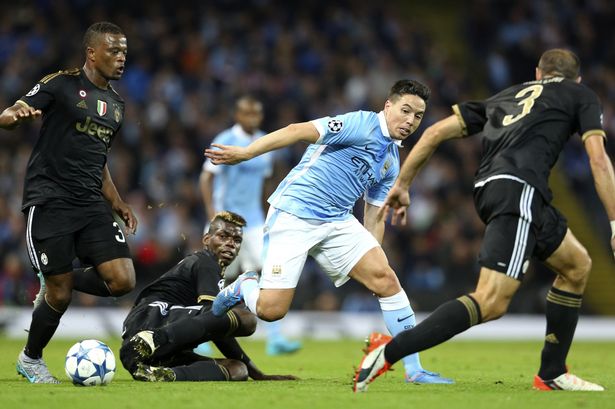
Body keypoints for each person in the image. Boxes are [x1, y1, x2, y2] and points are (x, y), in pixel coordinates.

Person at [353, 49, 615, 392]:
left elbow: (433, 134)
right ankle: (389, 351)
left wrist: (403, 185)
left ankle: (552, 372)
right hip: (519, 189)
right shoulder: (580, 94)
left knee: (577, 265)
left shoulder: (506, 96)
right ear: (576, 79)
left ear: (538, 74)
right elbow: (598, 160)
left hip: (499, 190)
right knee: (491, 302)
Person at [206, 80, 453, 384]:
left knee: (387, 279)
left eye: (418, 116)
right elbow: (297, 130)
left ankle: (414, 369)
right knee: (271, 311)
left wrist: (371, 258)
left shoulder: (390, 161)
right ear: (388, 106)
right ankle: (244, 285)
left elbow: (374, 214)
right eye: (405, 111)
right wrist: (246, 154)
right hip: (295, 212)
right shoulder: (359, 124)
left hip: (337, 220)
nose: (410, 121)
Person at [0, 22, 137, 384]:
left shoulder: (117, 106)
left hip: (91, 202)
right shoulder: (61, 84)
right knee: (59, 296)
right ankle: (31, 358)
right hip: (50, 199)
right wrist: (15, 116)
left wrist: (117, 200)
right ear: (92, 52)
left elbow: (98, 156)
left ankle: (55, 279)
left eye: (124, 52)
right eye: (114, 51)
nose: (122, 58)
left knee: (122, 280)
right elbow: (12, 111)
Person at [119, 211, 297, 382]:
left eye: (236, 240)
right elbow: (214, 319)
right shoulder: (205, 262)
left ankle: (162, 374)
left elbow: (214, 325)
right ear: (206, 239)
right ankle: (151, 341)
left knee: (237, 370)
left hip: (162, 342)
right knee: (246, 319)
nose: (230, 244)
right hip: (150, 321)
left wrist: (255, 373)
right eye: (223, 236)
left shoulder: (213, 269)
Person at [199, 95, 301, 356]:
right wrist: (213, 215)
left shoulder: (264, 144)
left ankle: (275, 338)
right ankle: (200, 337)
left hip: (254, 221)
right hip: (226, 221)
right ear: (238, 115)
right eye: (247, 113)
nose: (252, 118)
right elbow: (205, 178)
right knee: (215, 276)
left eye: (256, 114)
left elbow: (266, 182)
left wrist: (269, 214)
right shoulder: (226, 141)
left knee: (267, 272)